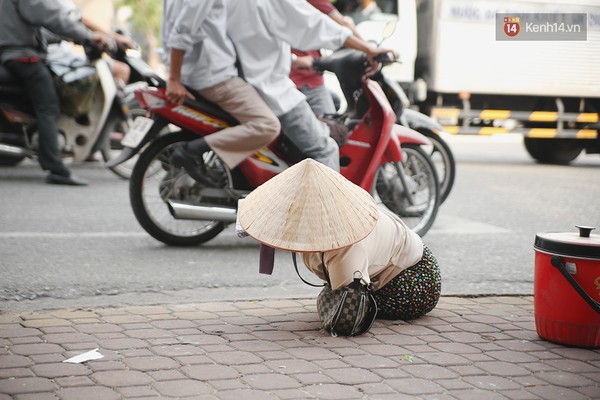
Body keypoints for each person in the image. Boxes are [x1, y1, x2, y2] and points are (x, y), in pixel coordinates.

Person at [239, 158, 442, 324]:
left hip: (415, 279)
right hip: (395, 265)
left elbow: (349, 301)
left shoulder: (348, 245)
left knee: (342, 303)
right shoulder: (322, 232)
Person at [225, 0, 394, 172]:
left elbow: (256, 45)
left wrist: (293, 60)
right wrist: (368, 49)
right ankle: (329, 199)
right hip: (272, 89)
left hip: (245, 83)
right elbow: (317, 25)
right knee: (326, 149)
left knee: (332, 105)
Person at [161, 0, 280, 186]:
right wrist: (173, 78)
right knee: (267, 125)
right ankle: (192, 151)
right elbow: (182, 30)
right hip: (214, 76)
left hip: (196, 72)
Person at [0, 0, 109, 185]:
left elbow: (31, 24)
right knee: (49, 108)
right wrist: (87, 36)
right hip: (23, 56)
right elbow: (52, 16)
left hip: (9, 55)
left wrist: (64, 37)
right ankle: (56, 168)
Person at [290, 0, 363, 116]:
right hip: (302, 79)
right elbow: (342, 25)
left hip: (299, 75)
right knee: (329, 131)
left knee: (335, 102)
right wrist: (369, 50)